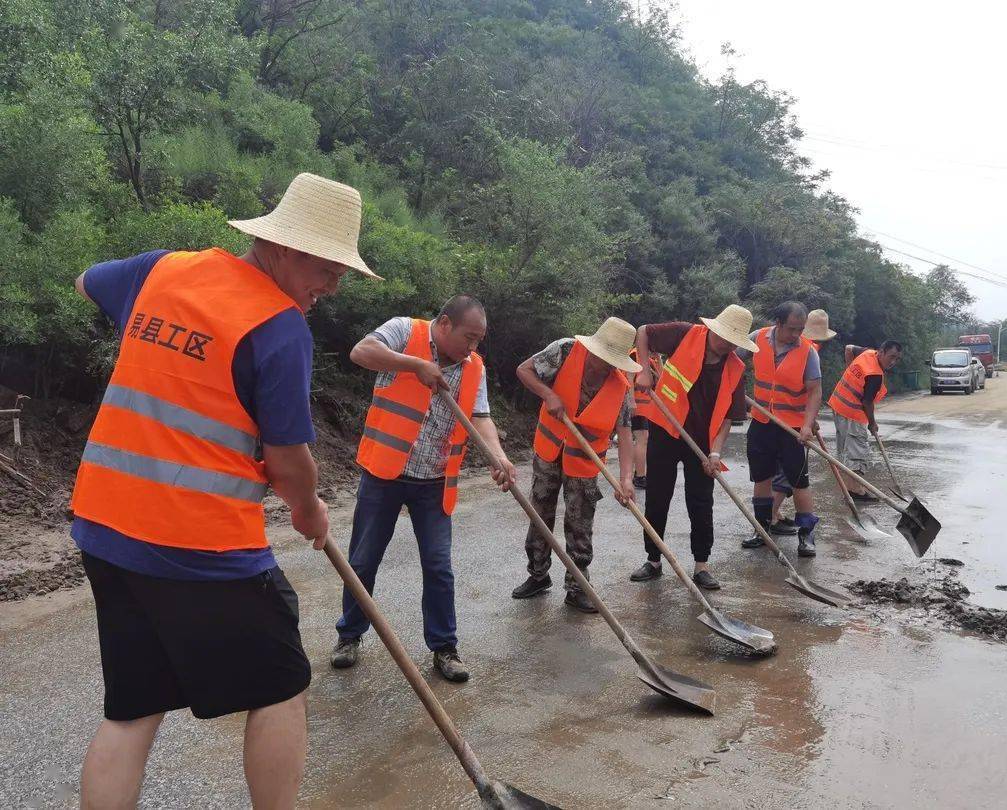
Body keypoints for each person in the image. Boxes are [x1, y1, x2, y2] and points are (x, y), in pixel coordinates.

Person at [69, 172, 377, 808]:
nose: (332, 286)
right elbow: (290, 461)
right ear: (289, 249)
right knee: (282, 684)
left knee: (133, 708)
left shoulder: (163, 270)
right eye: (329, 269)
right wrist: (310, 510)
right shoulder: (278, 326)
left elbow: (86, 282)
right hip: (196, 544)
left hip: (104, 527)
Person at [332, 295, 516, 682]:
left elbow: (480, 417)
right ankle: (349, 635)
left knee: (438, 567)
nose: (473, 346)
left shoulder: (474, 367)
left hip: (434, 480)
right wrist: (414, 365)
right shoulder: (404, 331)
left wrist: (497, 455)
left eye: (479, 339)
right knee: (363, 561)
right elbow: (361, 351)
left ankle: (444, 648)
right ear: (445, 323)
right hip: (384, 473)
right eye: (469, 336)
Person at [511, 318, 641, 612]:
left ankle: (578, 586)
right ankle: (538, 575)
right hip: (549, 450)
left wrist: (626, 480)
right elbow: (524, 370)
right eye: (602, 357)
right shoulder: (565, 351)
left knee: (580, 523)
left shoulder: (619, 385)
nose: (604, 365)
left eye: (612, 361)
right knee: (540, 513)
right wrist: (549, 394)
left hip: (584, 463)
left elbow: (625, 433)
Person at [629, 305, 757, 590]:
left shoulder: (735, 368)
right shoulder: (684, 334)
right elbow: (643, 332)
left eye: (732, 341)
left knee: (700, 502)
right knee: (657, 497)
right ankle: (653, 560)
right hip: (665, 428)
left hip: (701, 443)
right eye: (723, 336)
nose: (725, 344)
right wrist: (644, 370)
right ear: (713, 328)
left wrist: (715, 453)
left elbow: (727, 418)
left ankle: (702, 565)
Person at [741, 301, 823, 557]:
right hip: (762, 422)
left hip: (793, 428)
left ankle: (806, 534)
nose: (797, 334)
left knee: (799, 481)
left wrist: (807, 425)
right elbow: (733, 362)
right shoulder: (757, 338)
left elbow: (815, 391)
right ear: (778, 323)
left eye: (801, 329)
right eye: (792, 329)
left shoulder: (808, 352)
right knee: (761, 477)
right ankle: (762, 530)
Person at [771, 308, 836, 534]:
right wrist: (807, 422)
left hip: (795, 420)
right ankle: (771, 516)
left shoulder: (805, 347)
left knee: (787, 474)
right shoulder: (807, 348)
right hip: (786, 422)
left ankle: (773, 514)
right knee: (788, 475)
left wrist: (811, 420)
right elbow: (805, 390)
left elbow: (810, 393)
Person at [827, 340, 904, 497]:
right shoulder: (875, 374)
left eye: (897, 359)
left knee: (845, 449)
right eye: (891, 357)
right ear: (881, 352)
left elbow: (848, 348)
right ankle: (855, 490)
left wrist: (849, 370)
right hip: (852, 413)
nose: (893, 362)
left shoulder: (867, 352)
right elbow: (867, 402)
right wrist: (872, 423)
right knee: (858, 451)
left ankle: (849, 487)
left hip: (838, 405)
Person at [630, 348, 662, 489]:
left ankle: (640, 472)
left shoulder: (649, 359)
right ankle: (640, 477)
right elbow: (629, 378)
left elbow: (661, 379)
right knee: (642, 438)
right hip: (637, 405)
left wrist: (659, 358)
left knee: (644, 439)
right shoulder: (634, 355)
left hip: (648, 407)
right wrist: (631, 401)